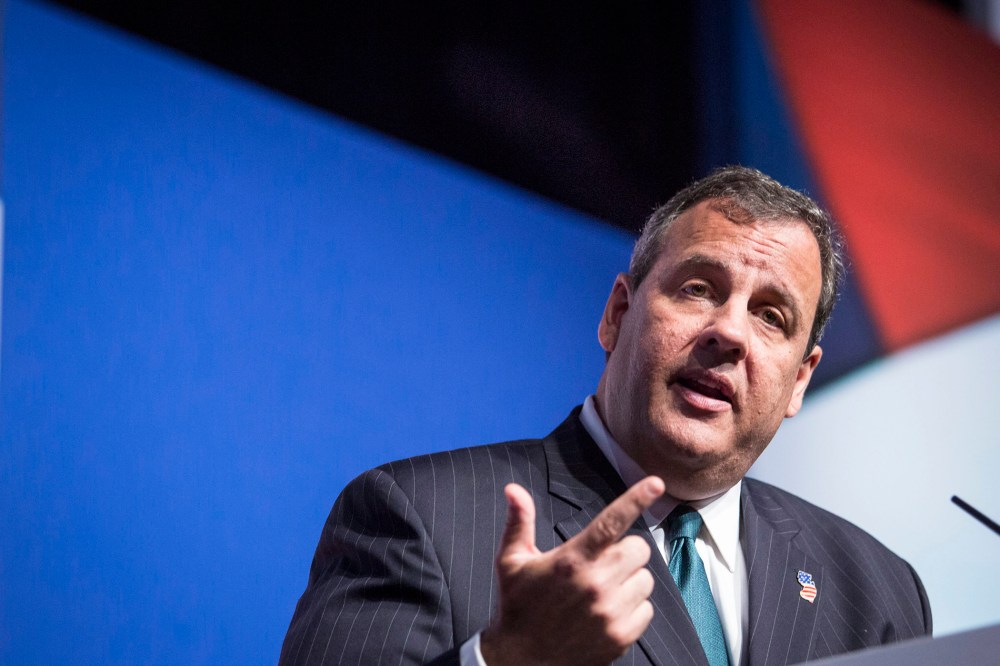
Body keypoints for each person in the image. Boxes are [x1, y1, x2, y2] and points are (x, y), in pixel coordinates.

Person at [280, 166, 932, 666]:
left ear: (800, 380)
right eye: (698, 288)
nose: (729, 332)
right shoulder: (419, 518)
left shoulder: (875, 589)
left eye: (771, 316)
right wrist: (506, 661)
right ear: (617, 314)